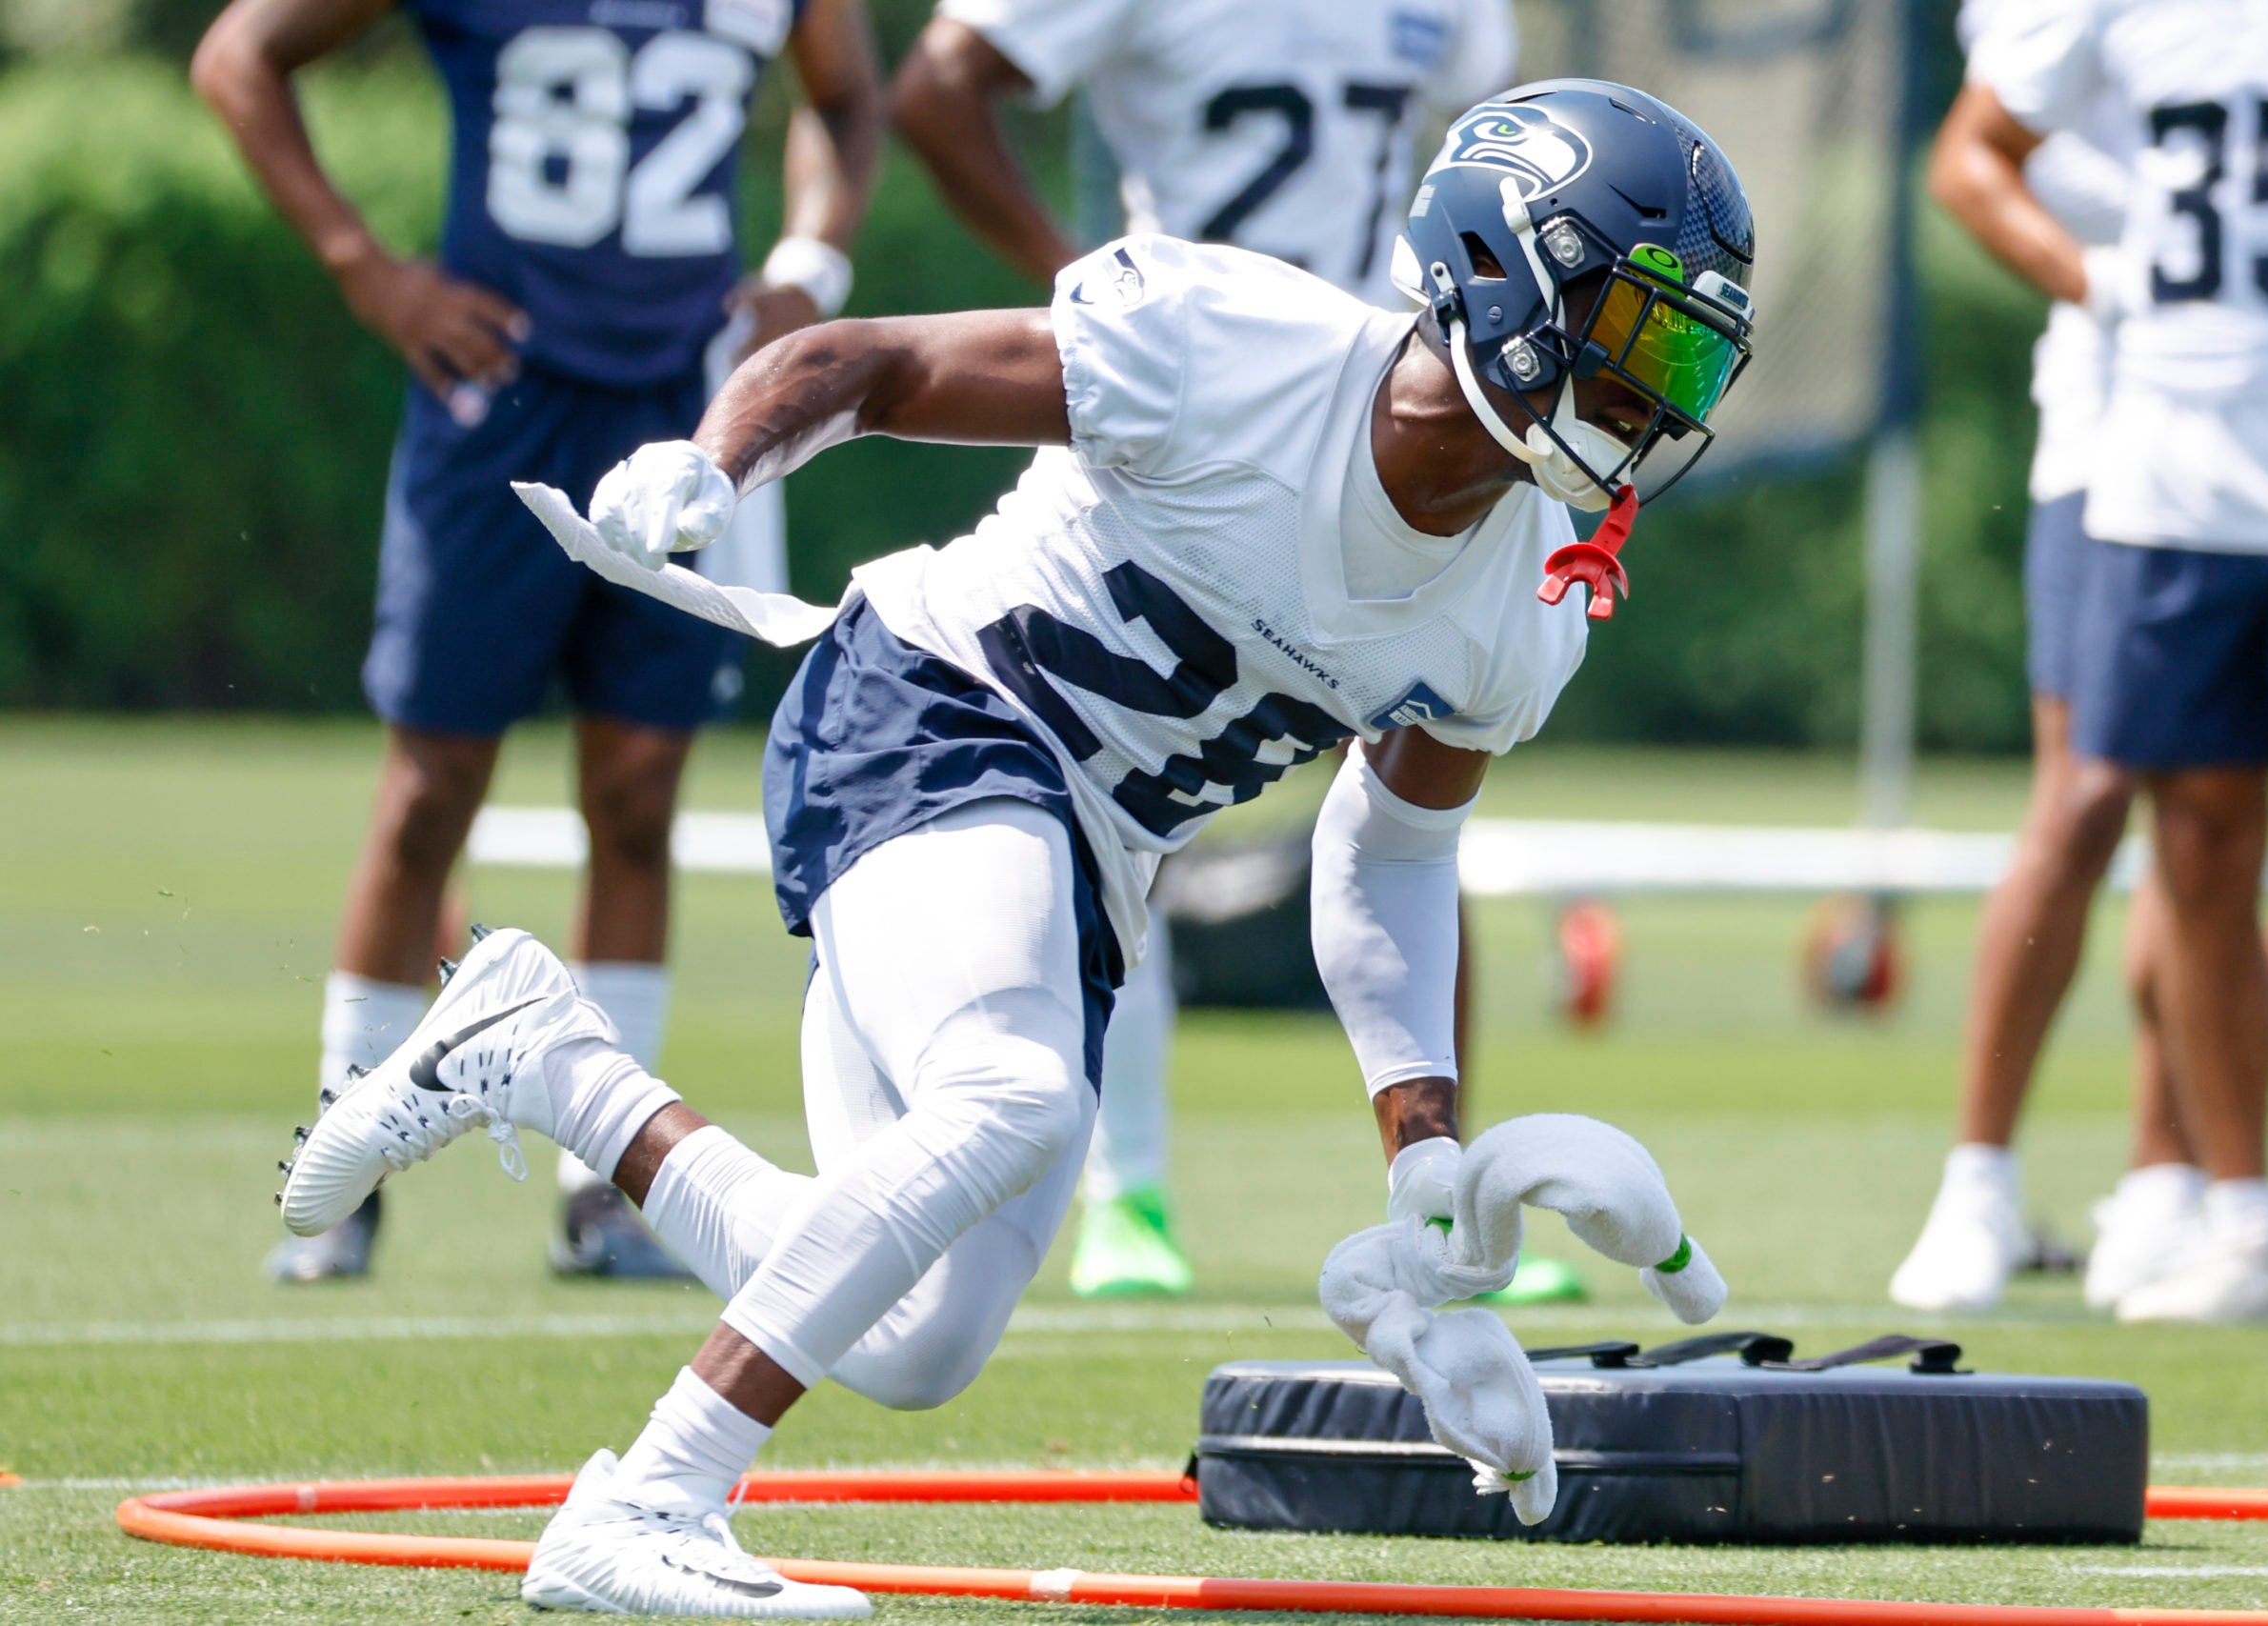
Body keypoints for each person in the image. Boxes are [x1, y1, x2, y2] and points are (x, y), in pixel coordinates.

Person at [277, 80, 1756, 1614]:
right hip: (932, 704)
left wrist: (1424, 1153)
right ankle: (645, 1503)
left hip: (1090, 857)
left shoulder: (1529, 604)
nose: (1659, 401)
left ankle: (548, 1060)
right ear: (1513, 279)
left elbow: (1387, 856)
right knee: (1016, 1093)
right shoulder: (1242, 346)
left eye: (1692, 360)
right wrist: (718, 462)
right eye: (1645, 339)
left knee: (916, 1342)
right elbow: (876, 362)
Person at [888, 0, 1592, 1304]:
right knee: (1128, 795)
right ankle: (1127, 1190)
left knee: (1424, 795)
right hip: (1225, 412)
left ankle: (1441, 1196)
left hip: (1409, 415)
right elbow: (938, 87)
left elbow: (1503, 138)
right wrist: (1069, 275)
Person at [192, 0, 882, 1279]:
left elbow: (846, 97)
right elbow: (238, 54)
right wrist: (368, 268)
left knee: (635, 795)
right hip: (496, 402)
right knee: (430, 790)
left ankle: (605, 1193)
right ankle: (347, 1169)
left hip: (684, 410)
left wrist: (811, 264)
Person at [1937, 0, 2268, 1330]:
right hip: (2171, 473)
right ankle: (2238, 1216)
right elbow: (1973, 153)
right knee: (2202, 843)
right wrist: (2095, 279)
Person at [1890, 0, 2212, 1317]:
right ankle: (1978, 1179)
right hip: (2119, 416)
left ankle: (2167, 1179)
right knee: (2082, 798)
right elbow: (1984, 156)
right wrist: (2130, 282)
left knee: (2214, 811)